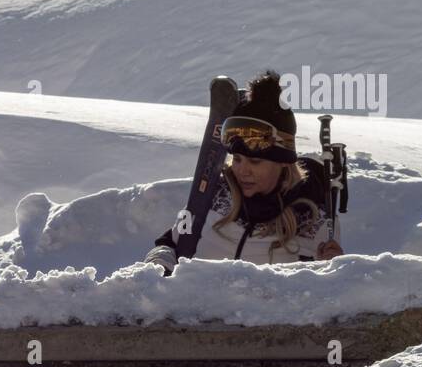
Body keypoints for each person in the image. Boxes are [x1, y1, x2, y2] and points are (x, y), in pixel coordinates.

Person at [146, 70, 344, 271]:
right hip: (193, 302)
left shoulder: (313, 219)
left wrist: (332, 269)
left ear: (283, 162)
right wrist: (158, 265)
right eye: (237, 159)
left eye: (255, 162)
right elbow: (170, 242)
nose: (242, 171)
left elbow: (319, 289)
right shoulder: (212, 195)